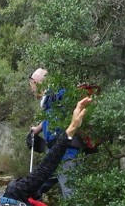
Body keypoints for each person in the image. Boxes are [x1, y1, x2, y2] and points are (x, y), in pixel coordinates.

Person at [28, 69, 86, 197]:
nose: (31, 89)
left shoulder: (59, 95)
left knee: (71, 194)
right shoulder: (50, 101)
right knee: (36, 187)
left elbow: (68, 116)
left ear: (37, 82)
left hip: (67, 154)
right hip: (54, 153)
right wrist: (39, 128)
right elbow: (54, 118)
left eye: (31, 85)